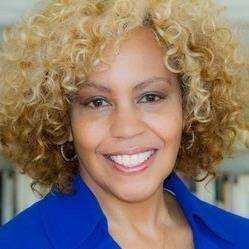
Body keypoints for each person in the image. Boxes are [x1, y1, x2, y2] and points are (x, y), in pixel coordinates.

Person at [0, 0, 249, 248]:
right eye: (97, 102)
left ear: (190, 107)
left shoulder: (240, 237)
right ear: (62, 121)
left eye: (150, 97)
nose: (126, 128)